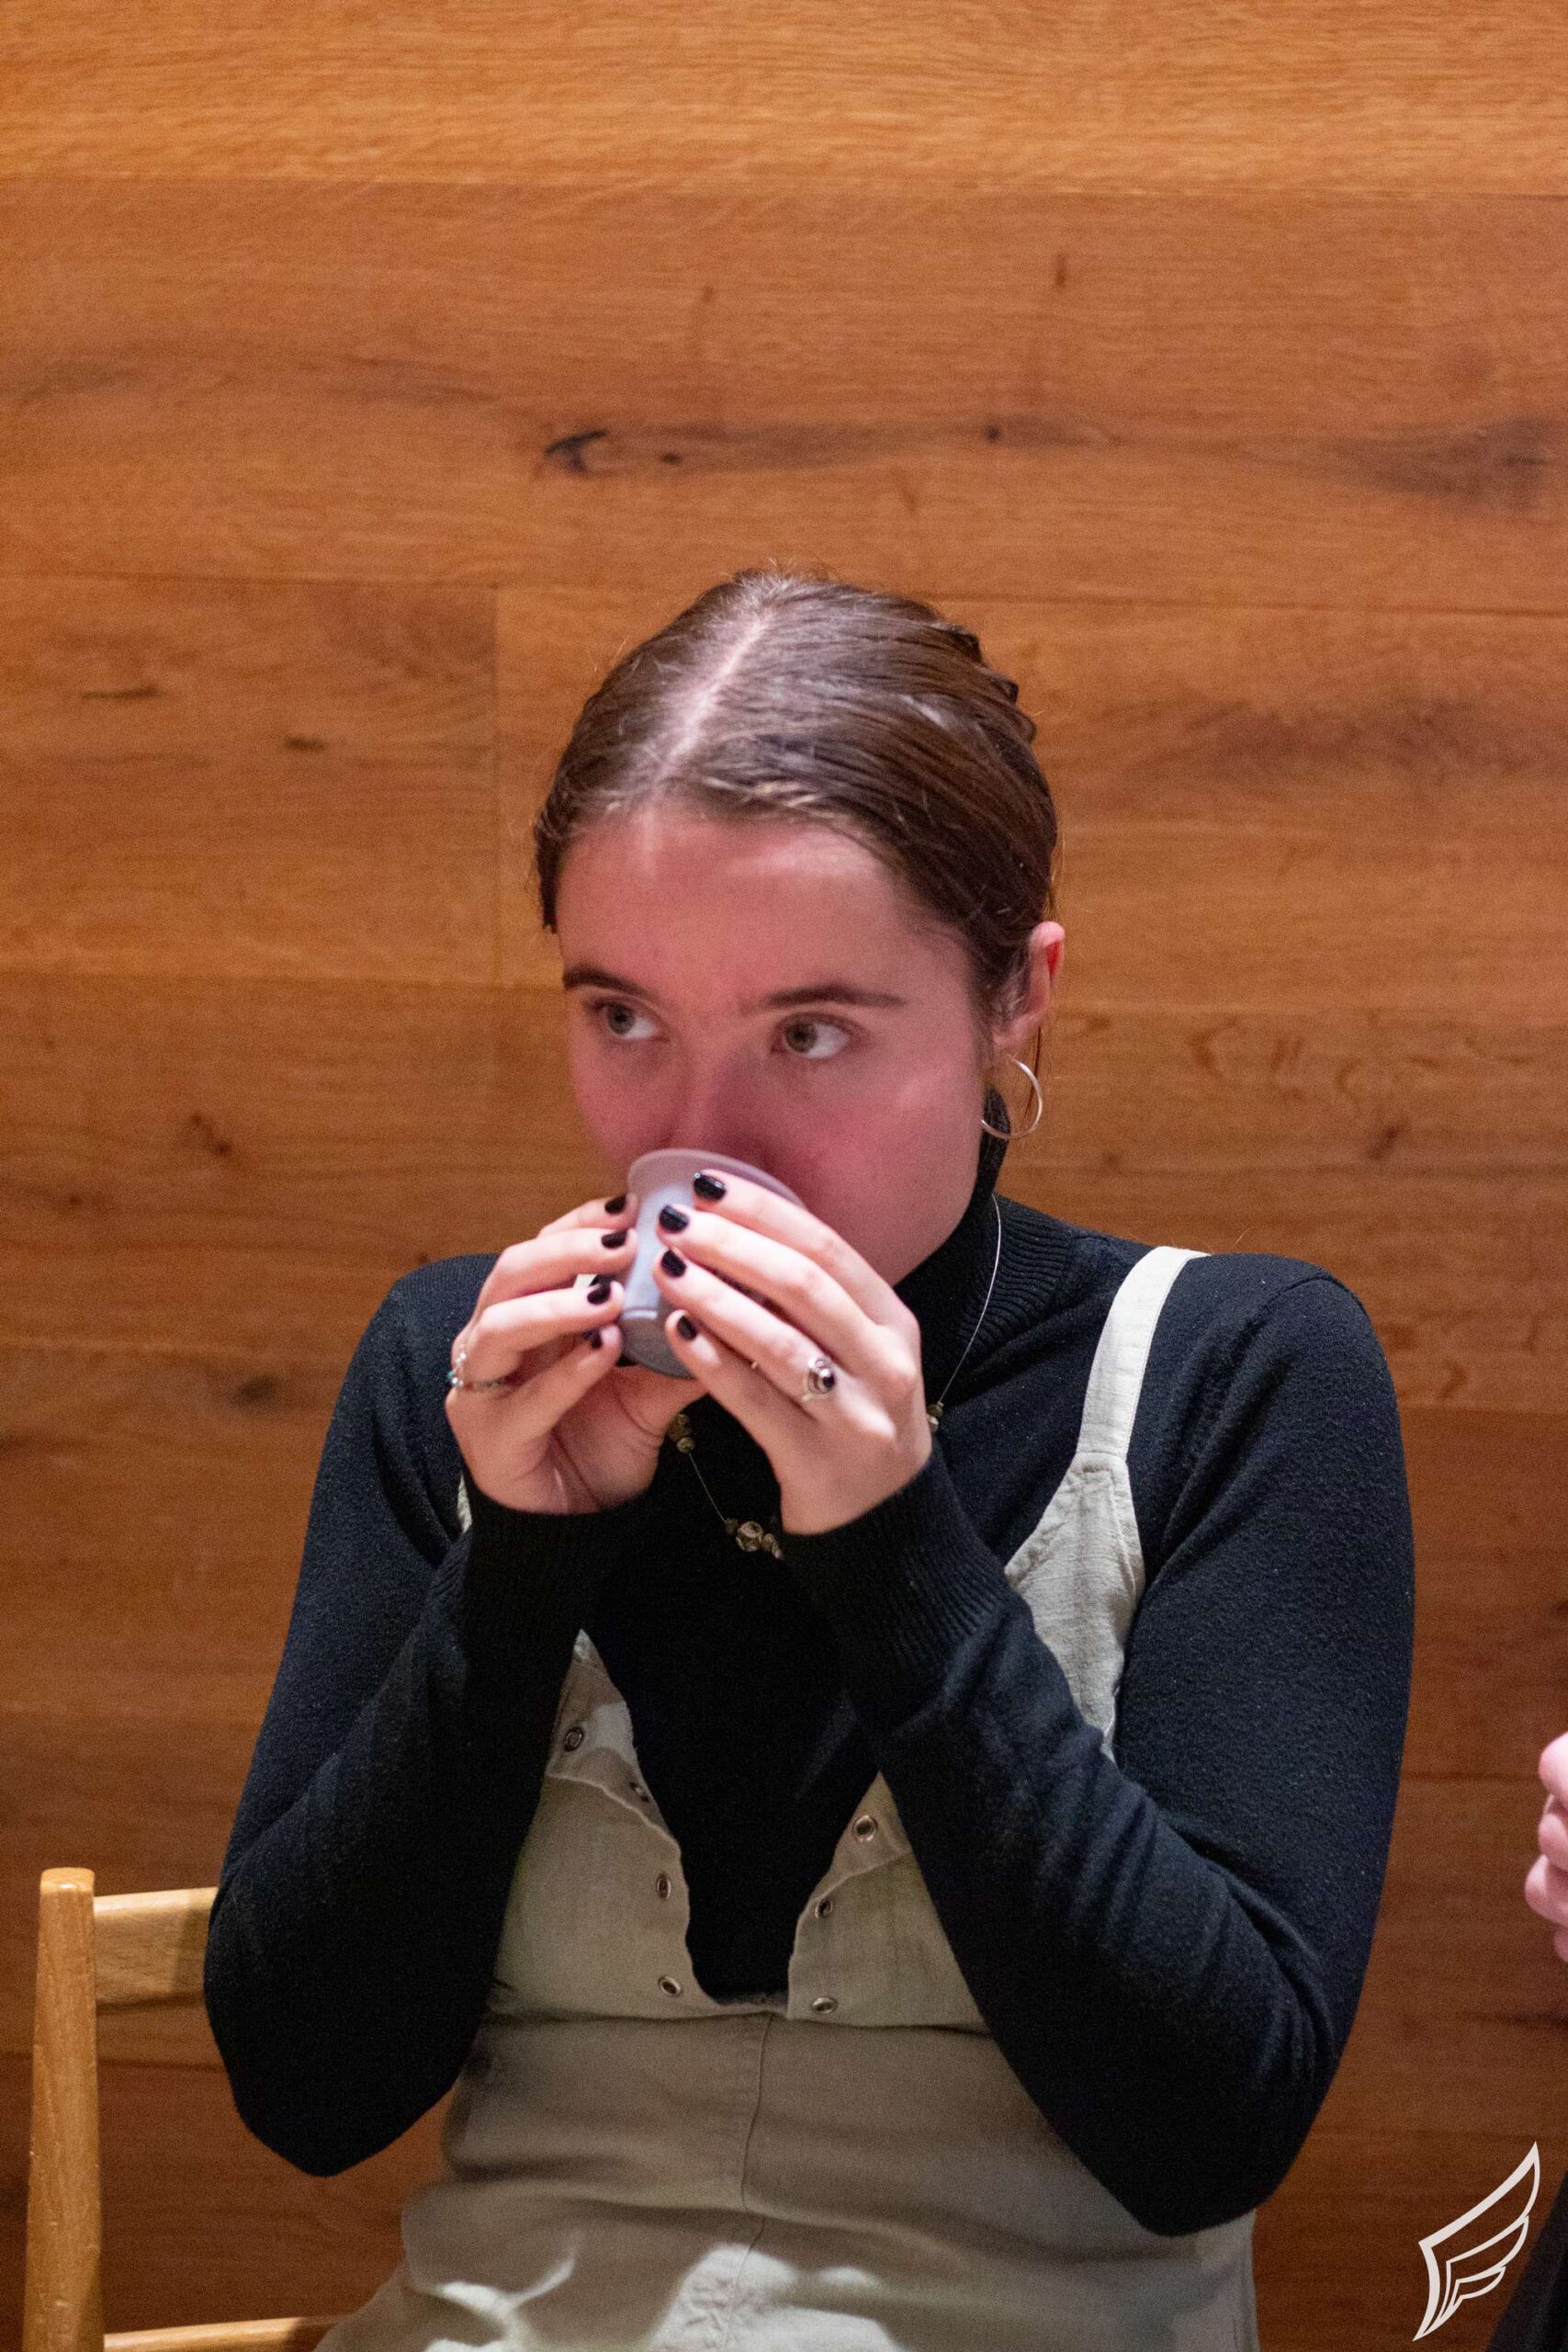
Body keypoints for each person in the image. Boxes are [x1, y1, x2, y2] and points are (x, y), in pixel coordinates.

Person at [205, 565, 1416, 2352]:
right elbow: (307, 2088)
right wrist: (520, 1563)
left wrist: (895, 1544)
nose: (701, 1141)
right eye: (622, 1016)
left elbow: (1204, 2129)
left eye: (810, 1032)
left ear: (1015, 999)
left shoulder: (1238, 1369)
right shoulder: (460, 1365)